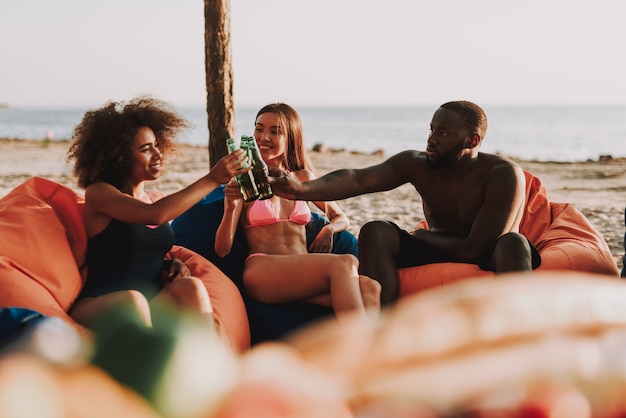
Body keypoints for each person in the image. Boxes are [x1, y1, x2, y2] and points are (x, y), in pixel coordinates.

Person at [269, 100, 541, 305]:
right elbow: (355, 179)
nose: (431, 139)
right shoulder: (418, 163)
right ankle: (383, 324)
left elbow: (475, 248)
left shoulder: (503, 174)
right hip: (436, 244)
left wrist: (421, 236)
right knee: (376, 230)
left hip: (487, 250)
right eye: (432, 129)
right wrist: (299, 189)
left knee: (514, 243)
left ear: (473, 140)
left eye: (443, 133)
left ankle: (517, 332)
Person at [66, 96, 249, 332]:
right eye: (145, 149)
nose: (158, 154)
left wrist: (168, 263)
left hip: (150, 302)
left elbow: (136, 250)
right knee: (133, 301)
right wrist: (214, 179)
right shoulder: (100, 194)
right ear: (118, 156)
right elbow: (154, 215)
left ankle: (212, 362)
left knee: (191, 287)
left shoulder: (154, 198)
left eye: (156, 145)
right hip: (104, 304)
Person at [214, 103, 381, 322]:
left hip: (301, 272)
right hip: (263, 270)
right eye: (259, 128)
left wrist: (328, 230)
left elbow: (341, 218)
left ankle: (363, 351)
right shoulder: (245, 180)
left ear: (291, 137)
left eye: (275, 131)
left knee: (371, 287)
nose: (264, 137)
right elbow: (222, 249)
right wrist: (231, 206)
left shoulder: (303, 179)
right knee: (345, 263)